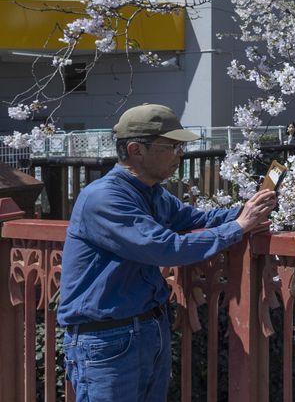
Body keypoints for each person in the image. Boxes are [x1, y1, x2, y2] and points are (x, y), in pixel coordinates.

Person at [57, 103, 277, 401]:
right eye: (171, 146)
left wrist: (246, 212)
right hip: (106, 337)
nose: (180, 154)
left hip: (146, 327)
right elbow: (166, 248)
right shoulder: (104, 198)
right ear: (136, 150)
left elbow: (197, 219)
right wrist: (238, 228)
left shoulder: (153, 192)